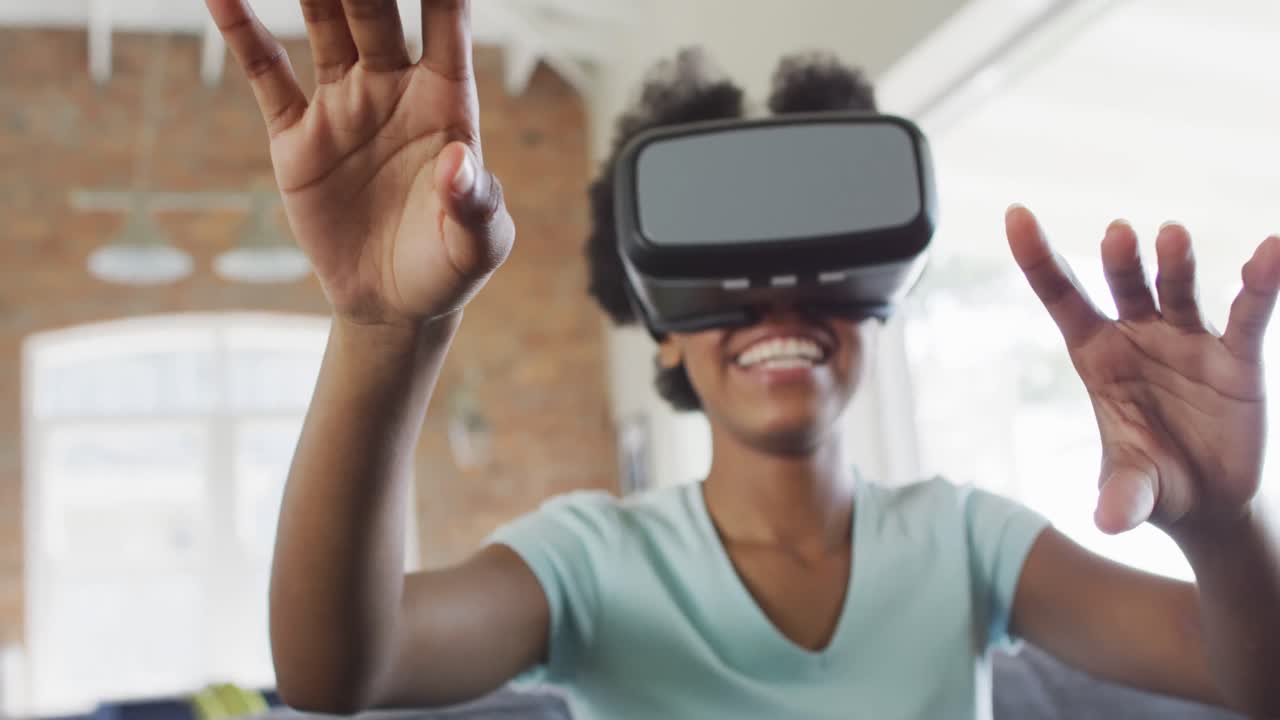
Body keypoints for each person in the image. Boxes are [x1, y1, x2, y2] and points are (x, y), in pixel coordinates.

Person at [203, 1, 1280, 718]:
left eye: (818, 270)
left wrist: (1223, 528)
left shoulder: (963, 538)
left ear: (879, 302)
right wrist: (385, 330)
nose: (778, 303)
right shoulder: (593, 560)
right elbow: (339, 671)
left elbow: (1245, 674)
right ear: (659, 322)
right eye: (727, 279)